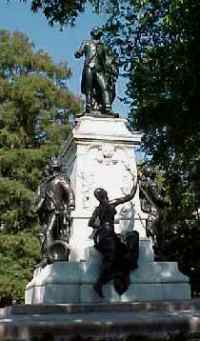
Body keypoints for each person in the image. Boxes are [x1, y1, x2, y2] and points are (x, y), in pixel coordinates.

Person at [88, 176, 139, 298]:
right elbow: (130, 196)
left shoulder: (98, 208)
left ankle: (104, 281)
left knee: (118, 253)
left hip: (102, 235)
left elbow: (90, 223)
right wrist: (136, 182)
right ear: (105, 194)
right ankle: (100, 283)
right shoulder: (111, 203)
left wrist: (99, 226)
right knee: (114, 257)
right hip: (108, 235)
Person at [34, 157, 75, 265]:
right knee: (43, 233)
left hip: (57, 210)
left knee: (48, 232)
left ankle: (50, 257)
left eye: (53, 166)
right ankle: (45, 256)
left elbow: (69, 191)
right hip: (47, 211)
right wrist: (37, 208)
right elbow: (43, 197)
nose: (51, 168)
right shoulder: (47, 182)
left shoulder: (60, 178)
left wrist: (71, 204)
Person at [74, 27, 118, 115]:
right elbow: (79, 52)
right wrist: (78, 53)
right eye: (95, 30)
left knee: (104, 87)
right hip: (89, 68)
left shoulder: (104, 46)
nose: (97, 32)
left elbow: (108, 59)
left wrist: (111, 69)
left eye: (98, 31)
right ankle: (88, 107)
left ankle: (107, 108)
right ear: (92, 33)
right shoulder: (86, 43)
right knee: (88, 89)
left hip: (100, 70)